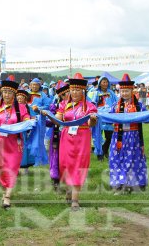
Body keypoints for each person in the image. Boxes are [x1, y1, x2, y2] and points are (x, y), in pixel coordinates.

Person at [43, 73, 97, 211]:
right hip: (66, 137)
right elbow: (57, 119)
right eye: (72, 89)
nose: (74, 92)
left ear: (83, 90)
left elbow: (91, 124)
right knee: (65, 164)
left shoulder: (89, 106)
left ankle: (75, 199)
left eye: (78, 90)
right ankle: (69, 188)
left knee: (79, 166)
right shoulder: (63, 105)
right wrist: (48, 115)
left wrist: (93, 118)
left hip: (82, 138)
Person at [0, 79, 30, 208]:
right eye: (4, 92)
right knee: (1, 168)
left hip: (15, 143)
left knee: (12, 168)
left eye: (9, 92)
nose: (6, 95)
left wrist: (30, 121)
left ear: (14, 94)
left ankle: (8, 196)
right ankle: (5, 192)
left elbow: (26, 119)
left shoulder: (20, 108)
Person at [109, 74, 148, 194]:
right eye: (122, 91)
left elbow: (147, 118)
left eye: (127, 91)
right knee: (117, 159)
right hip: (118, 137)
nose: (124, 93)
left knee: (132, 159)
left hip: (133, 137)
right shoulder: (115, 106)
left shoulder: (139, 106)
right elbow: (109, 117)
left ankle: (132, 183)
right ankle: (119, 183)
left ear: (132, 90)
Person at [46, 80, 70, 191]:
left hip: (71, 136)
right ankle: (56, 180)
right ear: (61, 95)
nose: (69, 95)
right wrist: (44, 118)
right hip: (57, 135)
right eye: (66, 93)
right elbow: (50, 122)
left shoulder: (76, 106)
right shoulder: (54, 106)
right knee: (56, 156)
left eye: (70, 92)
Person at [90, 76, 118, 161]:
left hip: (109, 117)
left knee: (109, 137)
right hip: (99, 117)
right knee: (98, 136)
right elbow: (93, 104)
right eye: (103, 82)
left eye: (106, 82)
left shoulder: (111, 92)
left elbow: (116, 102)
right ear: (100, 83)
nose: (105, 83)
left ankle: (104, 150)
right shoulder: (96, 93)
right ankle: (99, 155)